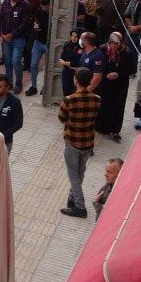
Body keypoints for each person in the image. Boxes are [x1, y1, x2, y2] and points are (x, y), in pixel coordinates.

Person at [59, 67, 101, 219]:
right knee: (80, 171)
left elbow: (62, 118)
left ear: (75, 80)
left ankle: (80, 206)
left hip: (73, 142)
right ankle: (72, 197)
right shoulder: (97, 99)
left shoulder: (69, 100)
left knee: (73, 175)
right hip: (88, 142)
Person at [95, 32, 136, 143]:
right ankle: (101, 127)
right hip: (105, 82)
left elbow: (132, 69)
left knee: (117, 105)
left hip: (120, 84)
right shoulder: (103, 49)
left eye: (116, 43)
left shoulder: (127, 52)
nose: (113, 46)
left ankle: (115, 129)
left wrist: (118, 74)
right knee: (103, 103)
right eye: (111, 43)